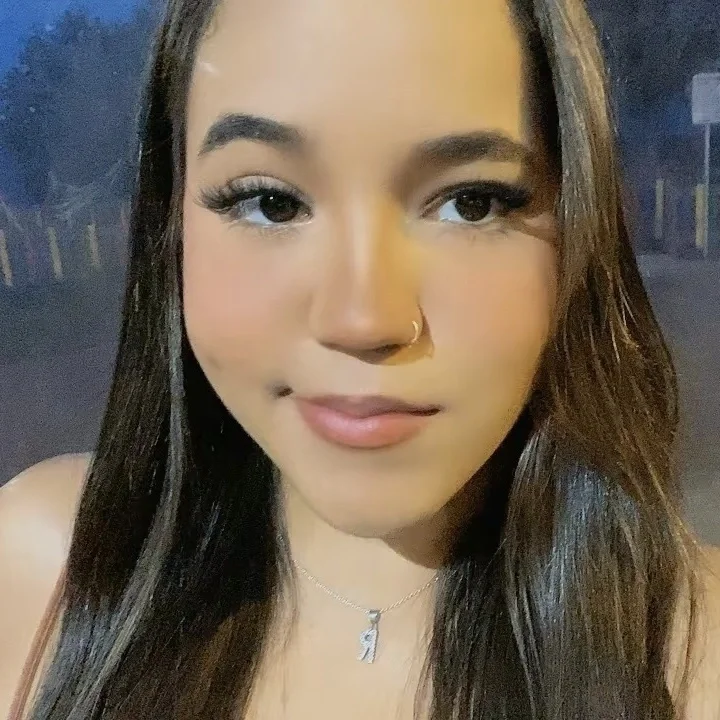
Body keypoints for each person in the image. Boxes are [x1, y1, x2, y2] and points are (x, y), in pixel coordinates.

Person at [1, 0, 719, 717]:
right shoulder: (46, 571)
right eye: (270, 203)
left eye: (471, 203)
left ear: (579, 226)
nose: (363, 321)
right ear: (172, 223)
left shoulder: (699, 656)